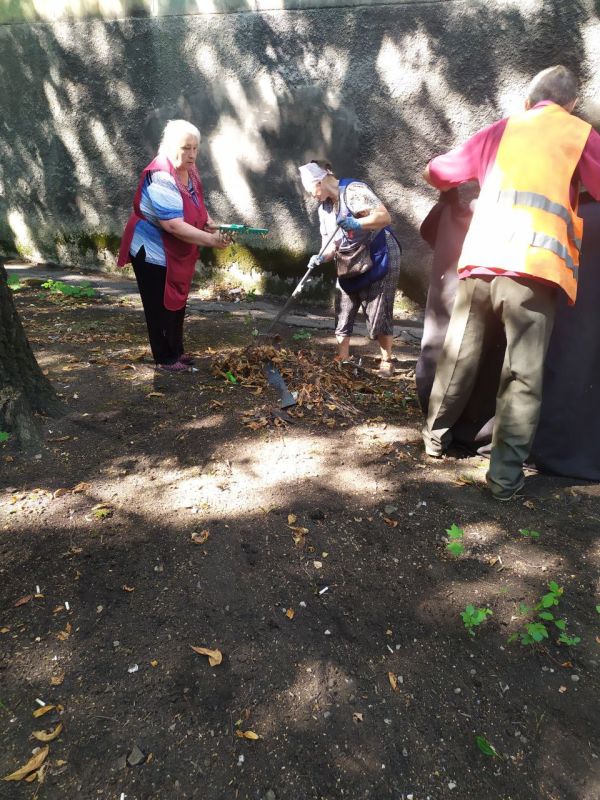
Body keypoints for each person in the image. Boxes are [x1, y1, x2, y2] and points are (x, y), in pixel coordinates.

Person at [421, 65, 600, 499]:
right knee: (522, 374)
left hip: (480, 261)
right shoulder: (580, 136)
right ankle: (504, 480)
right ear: (573, 105)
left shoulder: (500, 130)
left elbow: (438, 171)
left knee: (459, 354)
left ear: (527, 99)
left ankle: (434, 440)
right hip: (535, 273)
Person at [117, 119, 228, 372]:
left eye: (195, 148)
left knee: (177, 301)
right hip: (152, 250)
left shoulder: (190, 170)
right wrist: (211, 240)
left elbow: (196, 200)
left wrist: (208, 223)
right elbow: (173, 226)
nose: (191, 154)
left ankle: (177, 351)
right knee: (159, 304)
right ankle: (165, 358)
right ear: (169, 147)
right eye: (185, 148)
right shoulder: (161, 177)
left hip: (176, 251)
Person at [298, 160, 401, 377]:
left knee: (379, 307)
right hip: (349, 258)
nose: (311, 196)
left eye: (311, 190)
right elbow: (330, 244)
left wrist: (357, 224)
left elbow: (384, 217)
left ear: (321, 181)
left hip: (377, 252)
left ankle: (387, 359)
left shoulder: (353, 190)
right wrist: (321, 257)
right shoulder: (324, 208)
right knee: (343, 304)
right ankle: (342, 357)